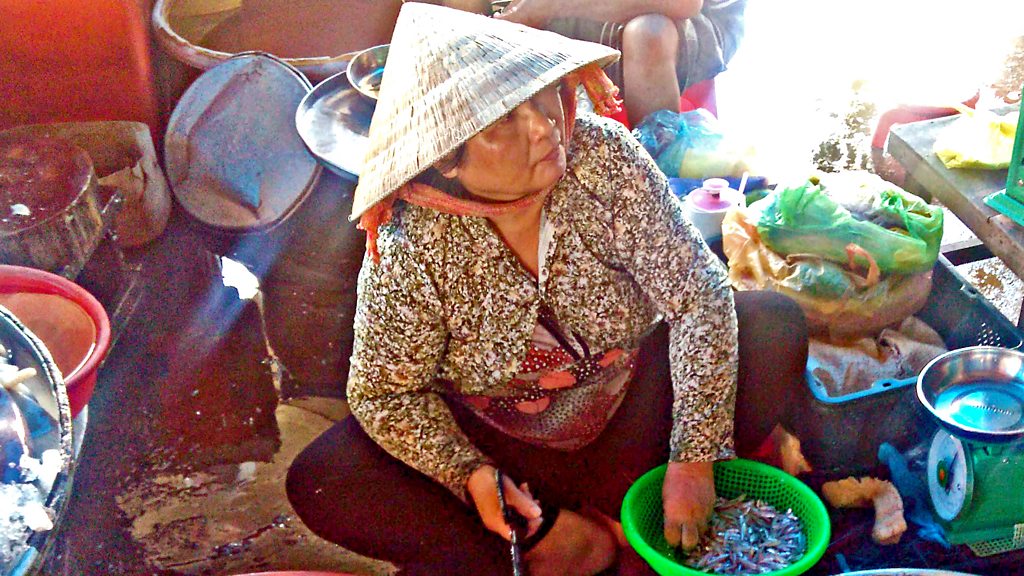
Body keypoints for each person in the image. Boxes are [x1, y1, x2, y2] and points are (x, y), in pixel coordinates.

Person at [286, 4, 808, 575]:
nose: (544, 128)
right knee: (326, 479)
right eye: (502, 122)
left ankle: (617, 503)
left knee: (771, 326)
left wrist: (694, 457)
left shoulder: (603, 156)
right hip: (507, 441)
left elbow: (698, 296)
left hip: (630, 410)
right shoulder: (410, 240)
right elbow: (384, 394)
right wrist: (469, 473)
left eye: (543, 96)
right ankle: (558, 537)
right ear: (446, 159)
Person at [437, 0, 747, 126]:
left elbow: (682, 4)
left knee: (648, 34)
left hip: (693, 18)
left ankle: (658, 177)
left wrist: (544, 9)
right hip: (564, 12)